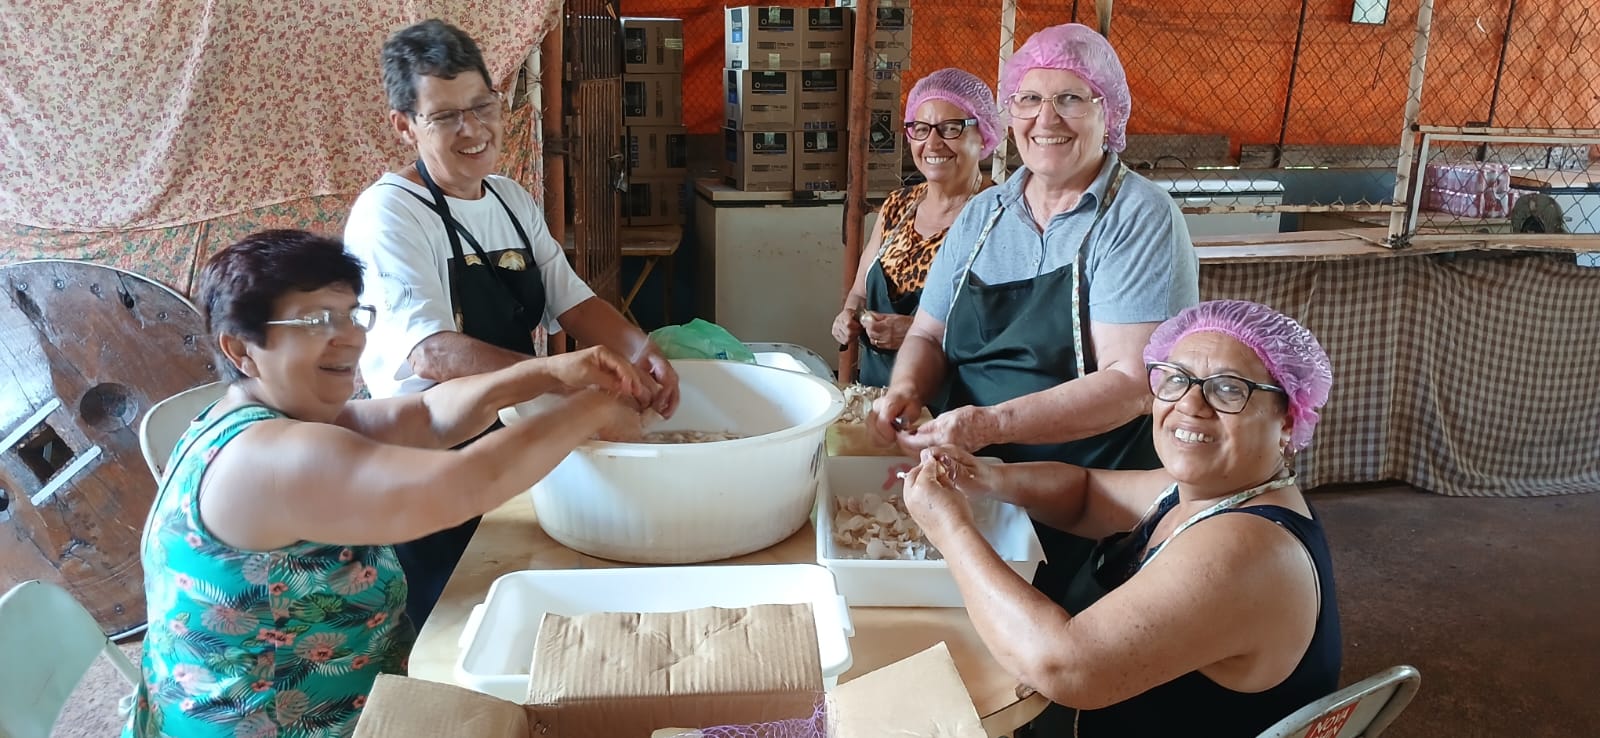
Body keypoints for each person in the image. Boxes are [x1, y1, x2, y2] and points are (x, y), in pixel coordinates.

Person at [126, 230, 648, 737]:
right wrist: (595, 407)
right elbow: (462, 485)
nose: (348, 336)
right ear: (241, 349)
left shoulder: (271, 418)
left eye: (351, 315)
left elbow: (427, 415)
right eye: (314, 320)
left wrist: (555, 372)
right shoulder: (269, 458)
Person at [343, 19, 679, 626]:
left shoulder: (509, 198)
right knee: (451, 616)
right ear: (404, 125)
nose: (473, 130)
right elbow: (432, 354)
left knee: (521, 600)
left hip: (511, 433)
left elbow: (570, 298)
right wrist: (559, 376)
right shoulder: (389, 212)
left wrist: (639, 346)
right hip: (435, 453)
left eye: (481, 106)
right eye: (445, 116)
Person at [901, 300, 1340, 736]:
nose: (1190, 404)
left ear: (1287, 419)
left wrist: (951, 529)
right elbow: (1086, 495)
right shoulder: (1204, 493)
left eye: (1228, 389)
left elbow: (1063, 665)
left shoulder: (1248, 549)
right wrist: (989, 478)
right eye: (1176, 378)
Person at [869, 23, 1199, 593]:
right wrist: (907, 390)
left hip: (1088, 491)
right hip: (977, 476)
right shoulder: (984, 214)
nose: (1046, 120)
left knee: (1060, 642)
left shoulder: (1138, 218)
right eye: (1029, 98)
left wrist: (990, 424)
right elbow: (926, 334)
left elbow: (1132, 383)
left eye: (1070, 98)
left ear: (1108, 112)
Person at [830, 68, 1000, 386]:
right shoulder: (898, 207)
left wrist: (916, 331)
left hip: (957, 403)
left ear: (984, 134)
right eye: (920, 129)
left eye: (950, 128)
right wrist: (849, 316)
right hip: (879, 394)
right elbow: (859, 292)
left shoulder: (998, 215)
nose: (932, 143)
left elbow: (1007, 328)